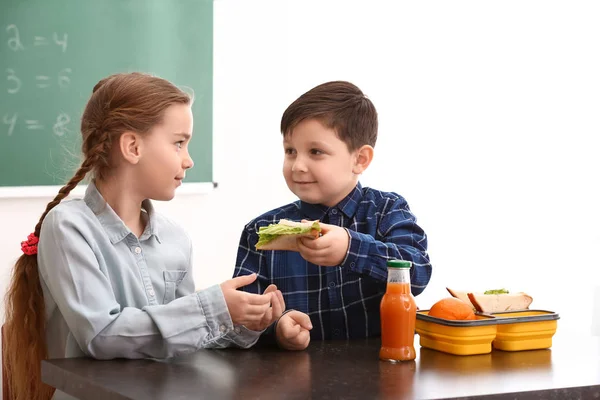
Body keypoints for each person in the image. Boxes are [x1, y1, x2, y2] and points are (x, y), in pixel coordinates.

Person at [3, 72, 284, 400]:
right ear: (132, 146)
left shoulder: (175, 238)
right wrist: (213, 308)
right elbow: (103, 336)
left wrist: (244, 322)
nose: (189, 159)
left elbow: (180, 334)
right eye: (179, 142)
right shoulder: (68, 227)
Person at [233, 81, 431, 350]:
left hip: (381, 376)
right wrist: (277, 327)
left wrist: (351, 249)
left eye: (316, 152)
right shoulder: (261, 229)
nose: (298, 166)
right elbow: (241, 321)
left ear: (360, 159)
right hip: (294, 382)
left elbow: (418, 273)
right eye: (290, 151)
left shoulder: (387, 209)